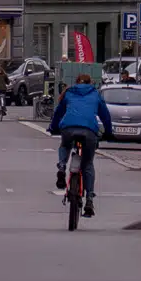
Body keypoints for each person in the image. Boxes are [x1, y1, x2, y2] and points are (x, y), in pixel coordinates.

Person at [48, 74, 113, 218]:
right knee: (88, 163)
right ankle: (89, 199)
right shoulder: (95, 94)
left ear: (76, 82)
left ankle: (62, 166)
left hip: (68, 128)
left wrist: (52, 127)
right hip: (89, 131)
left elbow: (59, 112)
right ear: (91, 83)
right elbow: (105, 115)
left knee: (65, 146)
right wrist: (109, 132)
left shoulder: (69, 92)